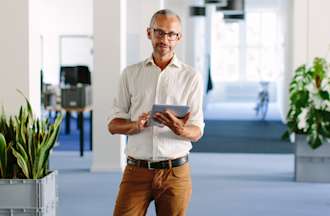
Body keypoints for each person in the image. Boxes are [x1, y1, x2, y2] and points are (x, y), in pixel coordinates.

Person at [108, 9, 205, 216]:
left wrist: (179, 128)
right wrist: (135, 125)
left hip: (175, 172)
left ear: (178, 38)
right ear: (148, 33)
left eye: (171, 34)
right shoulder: (130, 74)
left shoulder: (191, 77)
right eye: (159, 32)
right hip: (136, 170)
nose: (165, 39)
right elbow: (113, 124)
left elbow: (197, 130)